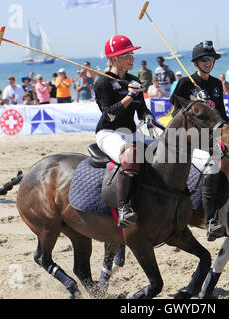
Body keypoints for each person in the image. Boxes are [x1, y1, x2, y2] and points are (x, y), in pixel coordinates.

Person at [170, 40, 229, 241]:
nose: (207, 62)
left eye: (210, 59)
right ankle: (210, 221)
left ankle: (223, 207)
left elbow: (222, 114)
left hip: (214, 135)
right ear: (195, 62)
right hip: (191, 136)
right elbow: (176, 113)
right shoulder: (186, 83)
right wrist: (195, 103)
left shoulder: (217, 84)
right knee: (212, 164)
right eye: (203, 59)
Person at [94, 35, 153, 228]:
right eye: (127, 55)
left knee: (165, 150)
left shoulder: (133, 80)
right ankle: (123, 208)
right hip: (109, 133)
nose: (132, 58)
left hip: (131, 131)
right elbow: (108, 115)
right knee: (130, 154)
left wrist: (147, 117)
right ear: (114, 58)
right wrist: (129, 96)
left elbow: (141, 108)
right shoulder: (102, 83)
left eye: (132, 54)